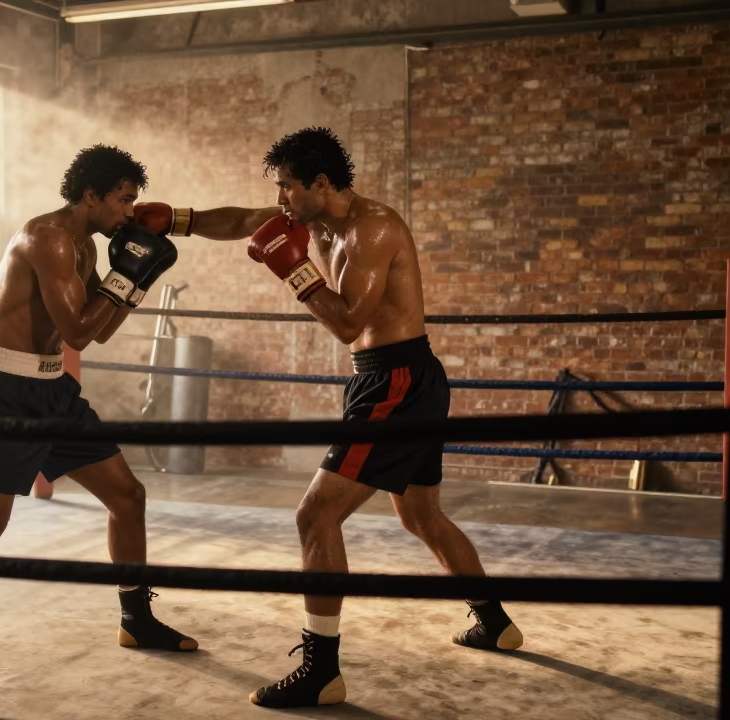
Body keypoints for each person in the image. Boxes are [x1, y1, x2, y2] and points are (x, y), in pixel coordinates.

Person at [134, 127, 523, 709]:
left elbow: (345, 322)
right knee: (421, 515)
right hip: (396, 379)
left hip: (396, 384)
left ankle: (321, 670)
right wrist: (178, 220)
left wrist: (293, 271)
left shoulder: (374, 228)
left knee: (315, 516)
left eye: (287, 187)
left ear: (320, 183)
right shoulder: (315, 218)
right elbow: (243, 220)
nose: (281, 200)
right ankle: (494, 622)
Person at [0, 145, 197, 696]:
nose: (128, 212)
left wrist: (134, 279)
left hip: (55, 391)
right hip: (8, 390)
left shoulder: (86, 249)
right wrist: (126, 274)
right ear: (90, 195)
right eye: (122, 199)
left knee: (128, 497)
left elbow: (99, 332)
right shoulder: (45, 238)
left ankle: (135, 619)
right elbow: (76, 328)